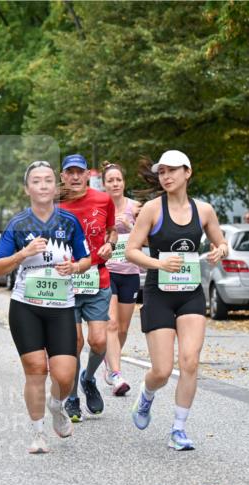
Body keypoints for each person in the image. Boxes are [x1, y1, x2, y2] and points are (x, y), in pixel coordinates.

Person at [124, 150, 229, 451]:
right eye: (161, 172)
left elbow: (221, 243)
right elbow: (131, 250)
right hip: (159, 293)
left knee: (190, 362)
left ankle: (178, 429)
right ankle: (146, 395)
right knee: (160, 370)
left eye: (172, 171)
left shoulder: (205, 211)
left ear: (187, 172)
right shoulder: (153, 210)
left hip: (190, 293)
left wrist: (220, 250)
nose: (166, 176)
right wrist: (158, 264)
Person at [0, 160, 92, 454]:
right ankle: (38, 434)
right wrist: (24, 252)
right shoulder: (18, 224)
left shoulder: (69, 222)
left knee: (64, 374)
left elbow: (86, 260)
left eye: (48, 180)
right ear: (27, 189)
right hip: (26, 306)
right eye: (37, 181)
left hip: (61, 306)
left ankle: (57, 405)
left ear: (55, 186)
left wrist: (74, 267)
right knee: (36, 369)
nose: (43, 185)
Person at [58, 154, 116, 423]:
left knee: (99, 341)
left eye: (79, 172)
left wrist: (110, 244)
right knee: (74, 342)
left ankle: (89, 378)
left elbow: (111, 230)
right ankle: (72, 397)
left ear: (86, 175)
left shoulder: (103, 200)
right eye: (70, 172)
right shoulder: (54, 205)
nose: (75, 176)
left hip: (97, 279)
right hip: (64, 283)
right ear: (62, 176)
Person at [101, 162, 143, 396]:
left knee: (124, 327)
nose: (115, 184)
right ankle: (116, 373)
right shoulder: (100, 206)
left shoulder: (135, 207)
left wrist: (129, 226)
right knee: (112, 324)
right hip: (107, 272)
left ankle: (110, 362)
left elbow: (147, 240)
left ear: (123, 182)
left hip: (130, 273)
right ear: (104, 184)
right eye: (110, 180)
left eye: (118, 180)